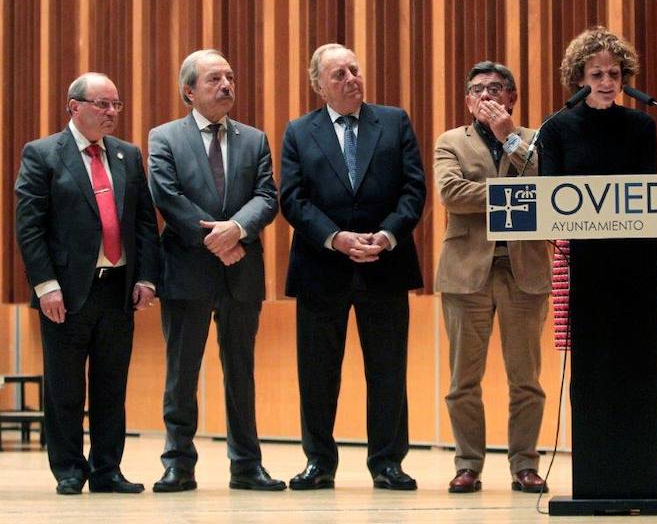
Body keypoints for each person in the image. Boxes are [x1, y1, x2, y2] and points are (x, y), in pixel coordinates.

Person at [280, 43, 426, 491]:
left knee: (387, 370)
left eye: (355, 70)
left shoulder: (394, 121)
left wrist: (385, 235)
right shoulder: (299, 131)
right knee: (318, 372)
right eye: (339, 74)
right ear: (318, 85)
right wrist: (336, 238)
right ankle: (318, 462)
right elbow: (293, 198)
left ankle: (387, 462)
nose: (350, 79)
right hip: (322, 267)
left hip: (385, 262)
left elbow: (413, 190)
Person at [15, 73, 160, 495]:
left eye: (116, 105)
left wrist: (147, 276)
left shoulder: (127, 156)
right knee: (65, 387)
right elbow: (30, 227)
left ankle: (107, 470)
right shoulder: (43, 154)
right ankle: (69, 470)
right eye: (102, 104)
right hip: (65, 291)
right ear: (74, 106)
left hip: (117, 288)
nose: (112, 112)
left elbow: (144, 223)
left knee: (111, 386)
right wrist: (45, 286)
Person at [147, 49, 284, 492]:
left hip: (241, 271)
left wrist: (237, 229)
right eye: (213, 80)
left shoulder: (254, 138)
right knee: (181, 373)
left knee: (240, 371)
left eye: (229, 77)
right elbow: (167, 197)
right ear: (189, 91)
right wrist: (217, 242)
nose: (226, 85)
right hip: (188, 270)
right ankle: (178, 464)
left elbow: (267, 196)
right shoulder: (164, 137)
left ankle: (246, 464)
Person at [539, 26, 657, 497]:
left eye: (614, 73)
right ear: (578, 78)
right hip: (583, 264)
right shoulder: (557, 127)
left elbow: (651, 196)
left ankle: (636, 472)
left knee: (634, 366)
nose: (607, 81)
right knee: (593, 368)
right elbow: (551, 197)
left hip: (633, 265)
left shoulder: (642, 125)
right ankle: (593, 473)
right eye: (596, 74)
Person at [434, 61, 550, 494]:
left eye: (497, 88)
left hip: (525, 272)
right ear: (467, 101)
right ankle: (468, 464)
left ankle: (525, 464)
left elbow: (548, 185)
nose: (488, 95)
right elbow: (451, 194)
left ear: (512, 98)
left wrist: (509, 139)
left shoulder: (537, 139)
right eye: (478, 89)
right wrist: (516, 197)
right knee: (464, 379)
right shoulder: (450, 142)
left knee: (526, 379)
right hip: (467, 272)